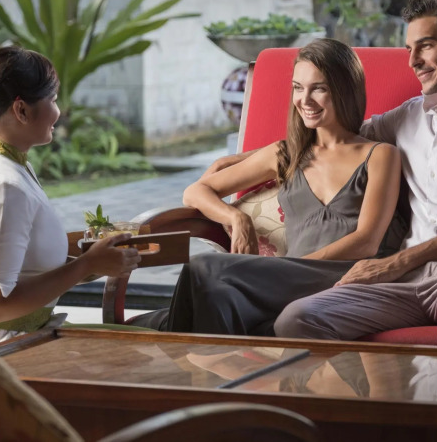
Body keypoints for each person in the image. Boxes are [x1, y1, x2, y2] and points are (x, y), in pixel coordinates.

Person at [212, 0, 437, 348]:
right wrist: (243, 160)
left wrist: (395, 263)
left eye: (426, 46)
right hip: (409, 282)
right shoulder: (409, 116)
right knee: (298, 318)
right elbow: (338, 138)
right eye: (409, 49)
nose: (413, 61)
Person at [131, 38, 405, 336]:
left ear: (345, 91)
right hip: (285, 284)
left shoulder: (380, 155)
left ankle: (166, 337)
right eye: (298, 88)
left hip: (351, 276)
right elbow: (196, 192)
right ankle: (209, 361)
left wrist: (284, 268)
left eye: (319, 88)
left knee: (203, 269)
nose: (305, 100)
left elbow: (366, 241)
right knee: (214, 296)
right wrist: (237, 218)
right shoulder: (285, 154)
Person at [0, 46, 141, 346]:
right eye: (52, 100)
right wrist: (86, 265)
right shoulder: (4, 187)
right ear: (21, 110)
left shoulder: (10, 164)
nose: (58, 111)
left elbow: (24, 263)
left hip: (21, 336)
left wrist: (92, 259)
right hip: (1, 348)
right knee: (156, 351)